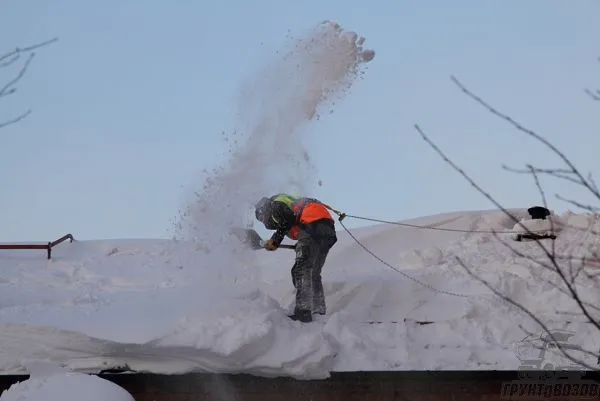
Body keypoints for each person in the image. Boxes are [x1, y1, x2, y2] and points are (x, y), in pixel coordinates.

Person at [254, 193, 338, 323]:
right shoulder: (291, 204)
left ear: (263, 210)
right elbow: (295, 223)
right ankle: (318, 311)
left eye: (262, 218)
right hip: (327, 229)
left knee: (301, 270)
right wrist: (301, 244)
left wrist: (275, 240)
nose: (264, 221)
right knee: (314, 272)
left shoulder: (273, 205)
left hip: (312, 225)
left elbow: (288, 219)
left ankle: (303, 311)